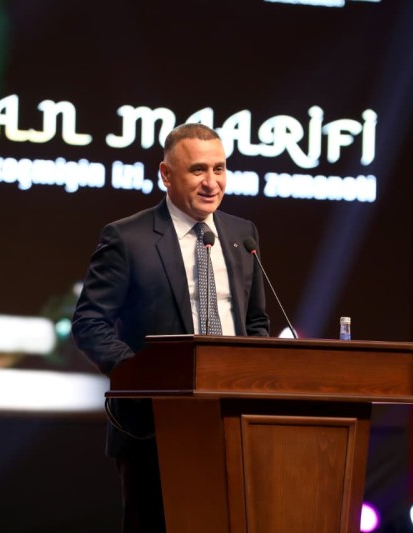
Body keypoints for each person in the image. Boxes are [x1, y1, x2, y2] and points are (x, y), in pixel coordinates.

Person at [71, 123, 270, 532]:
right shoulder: (128, 238)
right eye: (198, 170)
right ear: (166, 174)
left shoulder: (242, 234)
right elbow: (89, 322)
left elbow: (255, 322)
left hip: (231, 420)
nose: (212, 183)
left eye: (219, 169)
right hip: (153, 427)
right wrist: (140, 378)